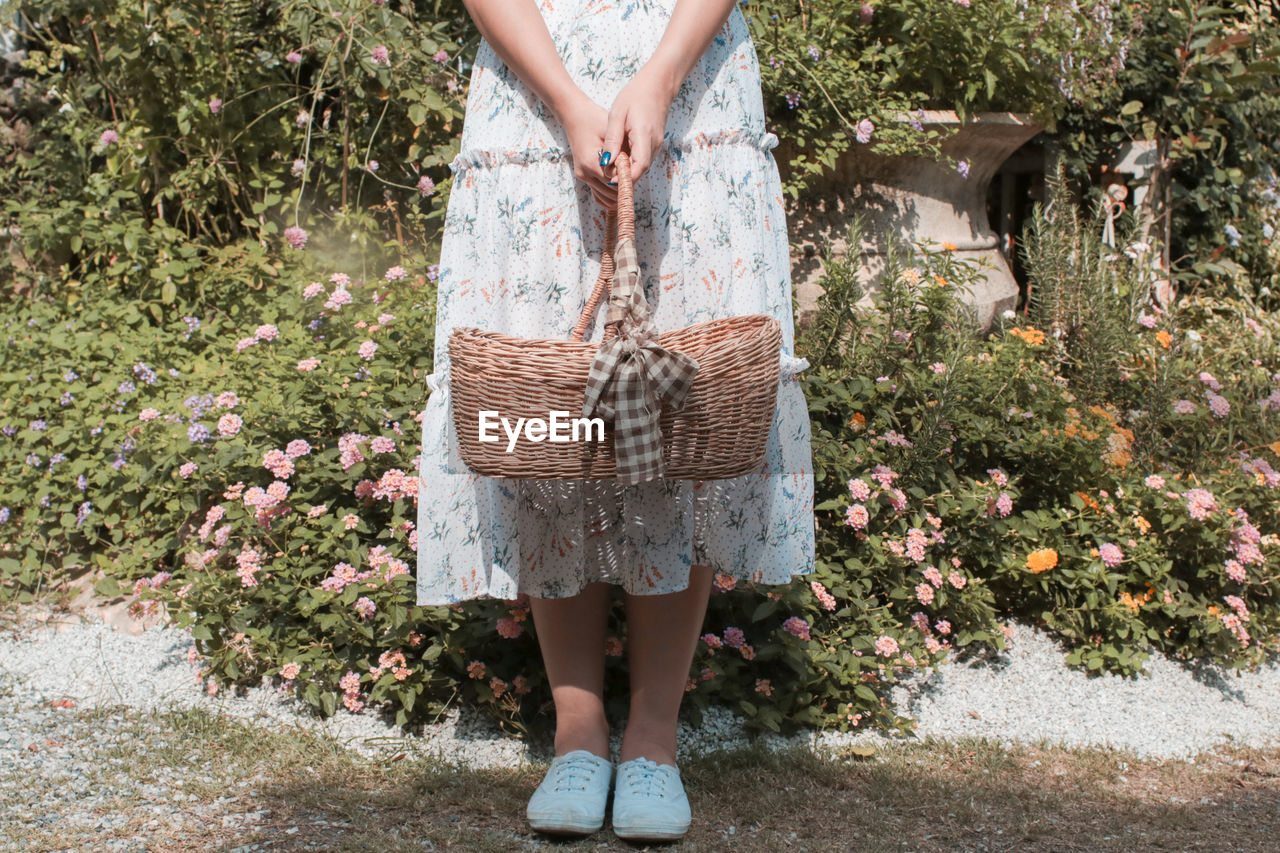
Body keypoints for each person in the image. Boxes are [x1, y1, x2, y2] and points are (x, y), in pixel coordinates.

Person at [415, 0, 816, 841]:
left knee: (679, 423)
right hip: (535, 90)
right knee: (555, 418)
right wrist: (565, 97)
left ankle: (654, 743)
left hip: (689, 83)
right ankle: (577, 738)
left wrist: (662, 73)